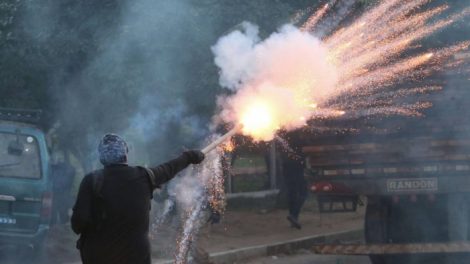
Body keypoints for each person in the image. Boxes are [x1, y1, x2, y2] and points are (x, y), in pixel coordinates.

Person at [71, 134, 205, 264]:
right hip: (136, 256)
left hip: (101, 256)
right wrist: (189, 157)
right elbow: (169, 168)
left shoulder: (92, 181)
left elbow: (78, 224)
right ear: (125, 154)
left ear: (102, 158)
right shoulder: (144, 177)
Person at [281, 130, 308, 230]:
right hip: (296, 167)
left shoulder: (285, 138)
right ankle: (294, 215)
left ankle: (293, 217)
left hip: (287, 167)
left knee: (292, 192)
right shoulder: (298, 138)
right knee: (303, 193)